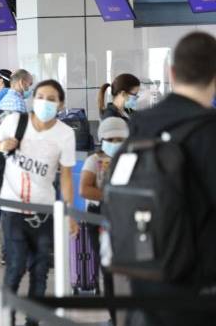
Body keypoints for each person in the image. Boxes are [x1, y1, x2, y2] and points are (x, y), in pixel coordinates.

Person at [124, 32, 216, 326]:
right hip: (198, 285)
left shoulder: (139, 125)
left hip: (144, 273)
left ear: (171, 72)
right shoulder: (209, 131)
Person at [0, 79, 76, 326]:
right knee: (15, 267)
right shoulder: (17, 122)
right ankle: (8, 318)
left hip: (43, 211)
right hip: (13, 208)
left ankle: (32, 322)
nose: (45, 103)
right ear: (33, 99)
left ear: (61, 104)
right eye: (41, 97)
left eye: (52, 99)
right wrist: (1, 145)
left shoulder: (65, 134)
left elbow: (66, 177)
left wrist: (69, 212)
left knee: (40, 271)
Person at [0, 69, 34, 266]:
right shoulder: (14, 102)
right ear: (20, 82)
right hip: (7, 161)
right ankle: (5, 254)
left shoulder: (6, 100)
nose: (29, 88)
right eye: (28, 84)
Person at [80, 117, 128, 325]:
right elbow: (84, 189)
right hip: (99, 216)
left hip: (125, 216)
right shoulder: (94, 161)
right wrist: (112, 195)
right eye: (110, 138)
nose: (115, 143)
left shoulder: (131, 157)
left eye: (120, 138)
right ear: (102, 139)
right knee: (107, 268)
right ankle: (115, 315)